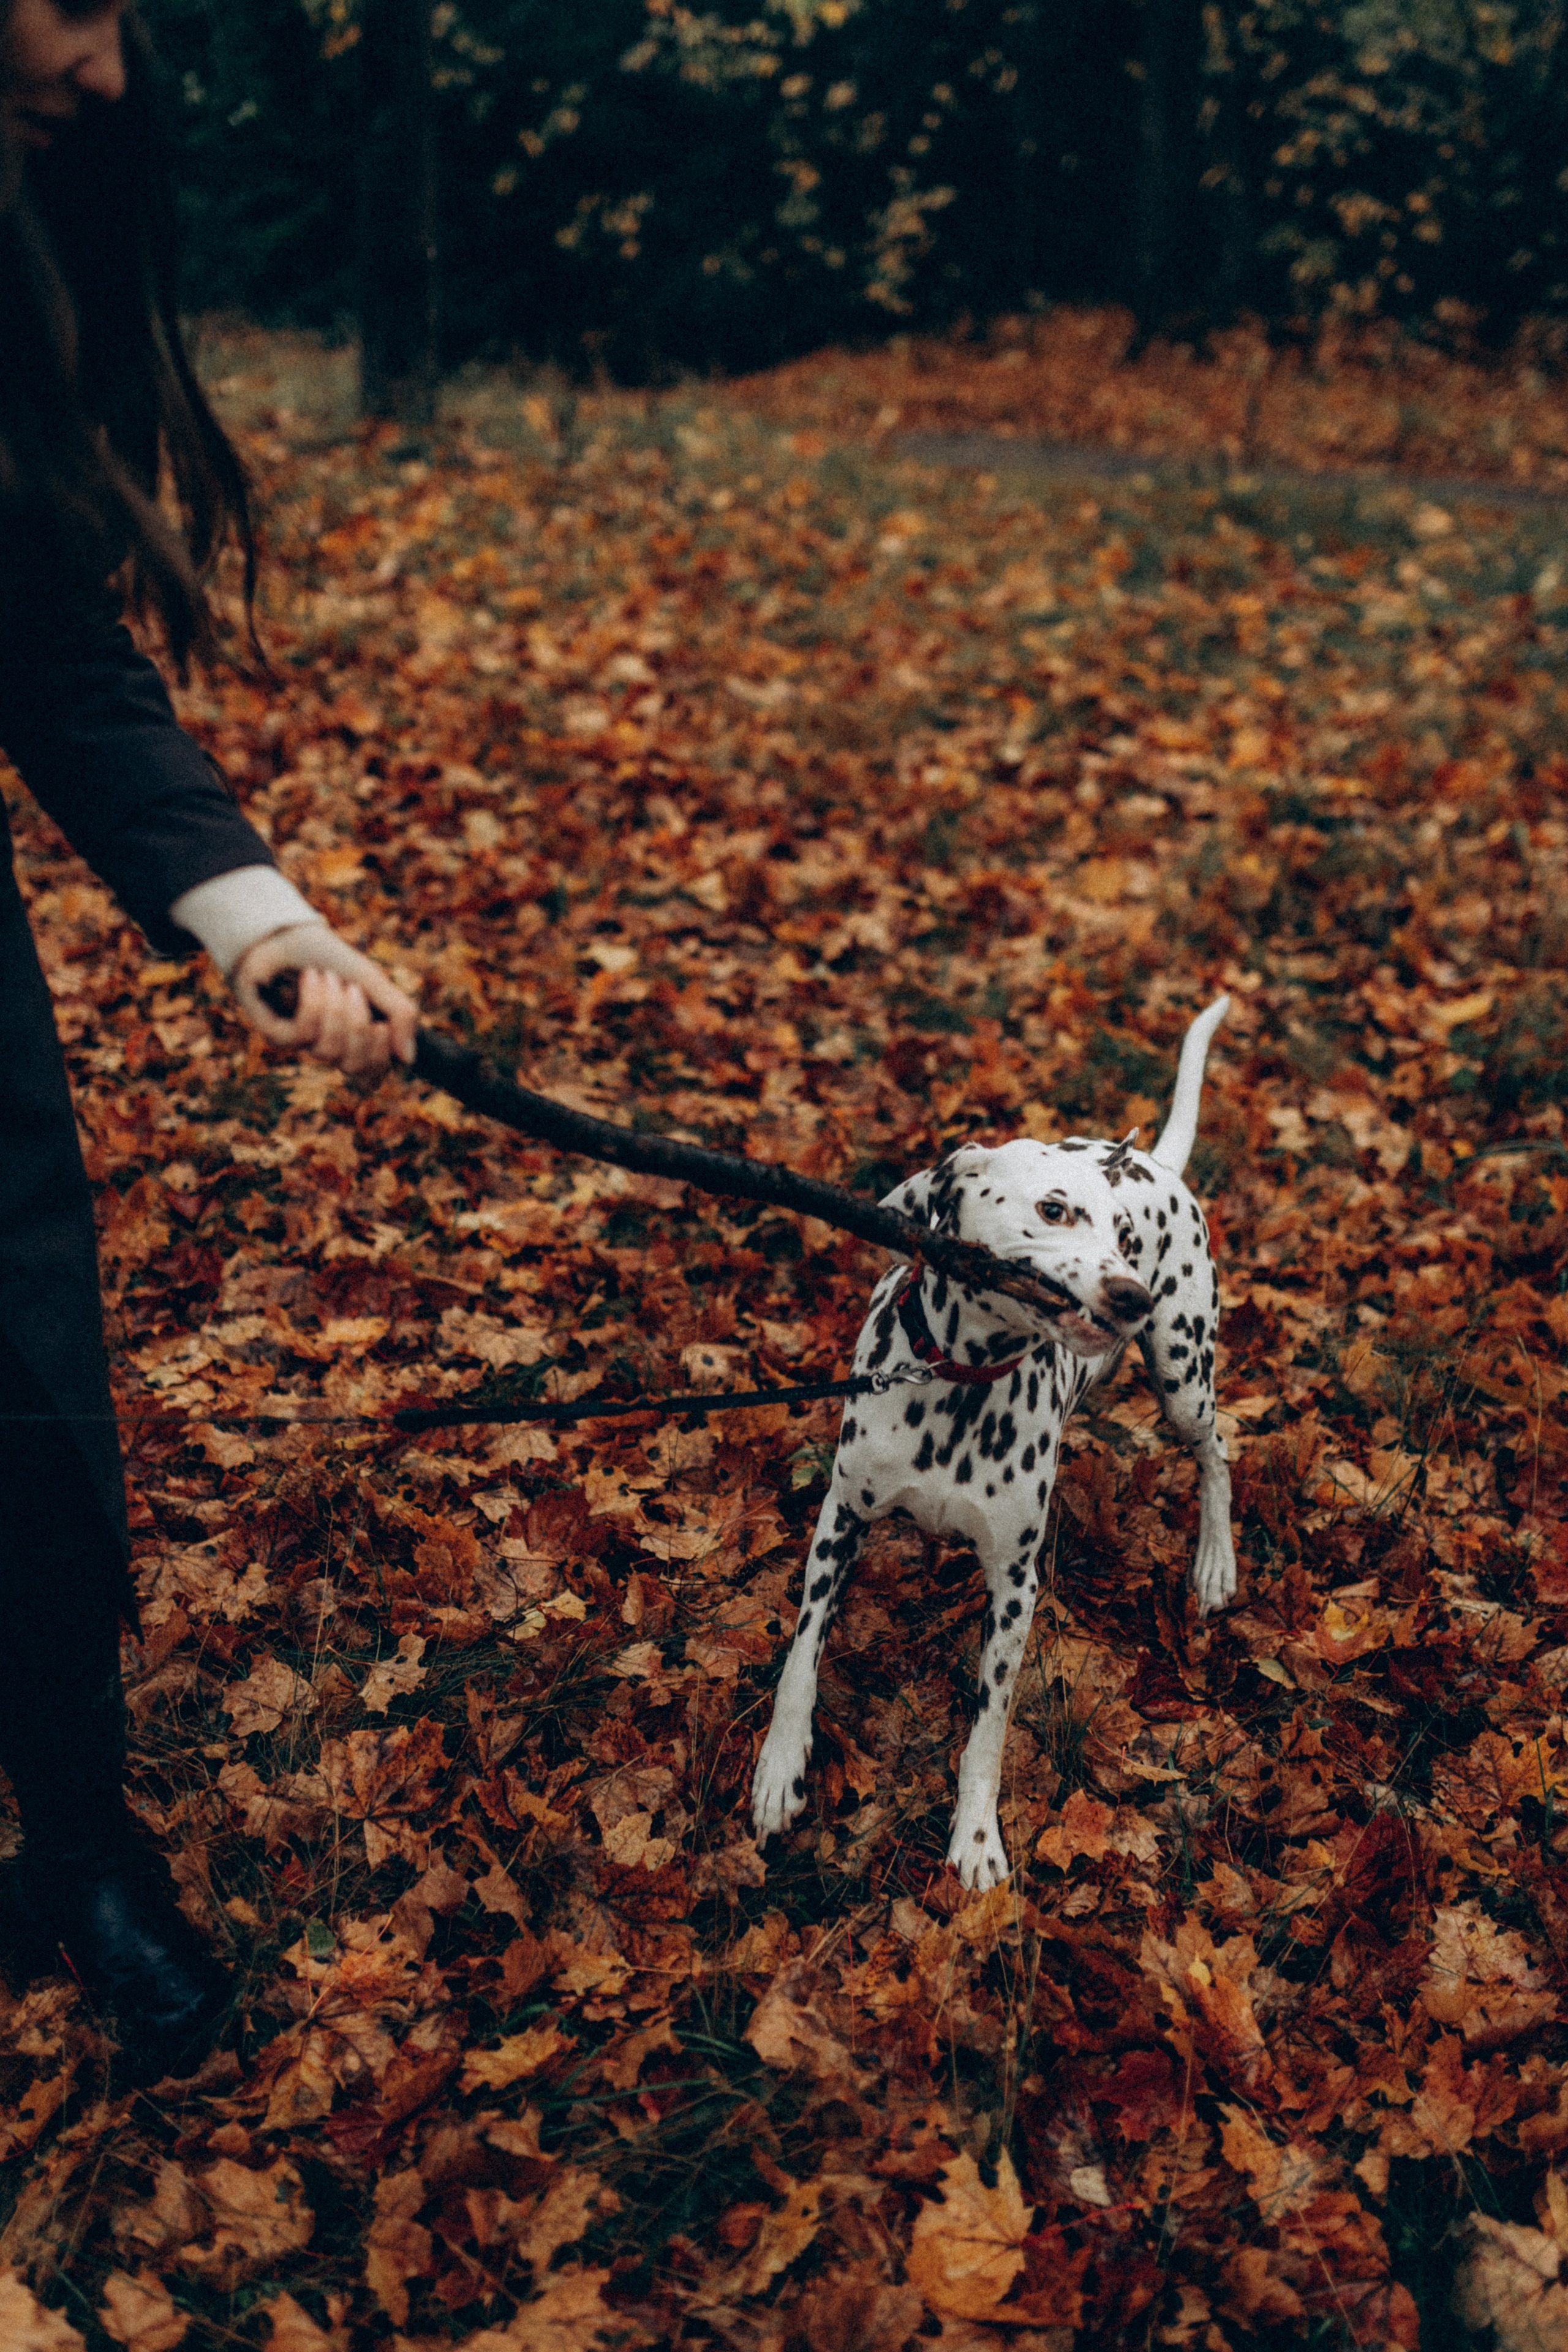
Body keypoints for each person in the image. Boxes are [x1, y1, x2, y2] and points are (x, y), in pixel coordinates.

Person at [0, 0, 418, 2081]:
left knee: (22, 1402)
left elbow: (44, 642)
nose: (107, 65)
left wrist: (249, 918)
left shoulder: (36, 207)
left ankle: (76, 1846)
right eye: (68, 6)